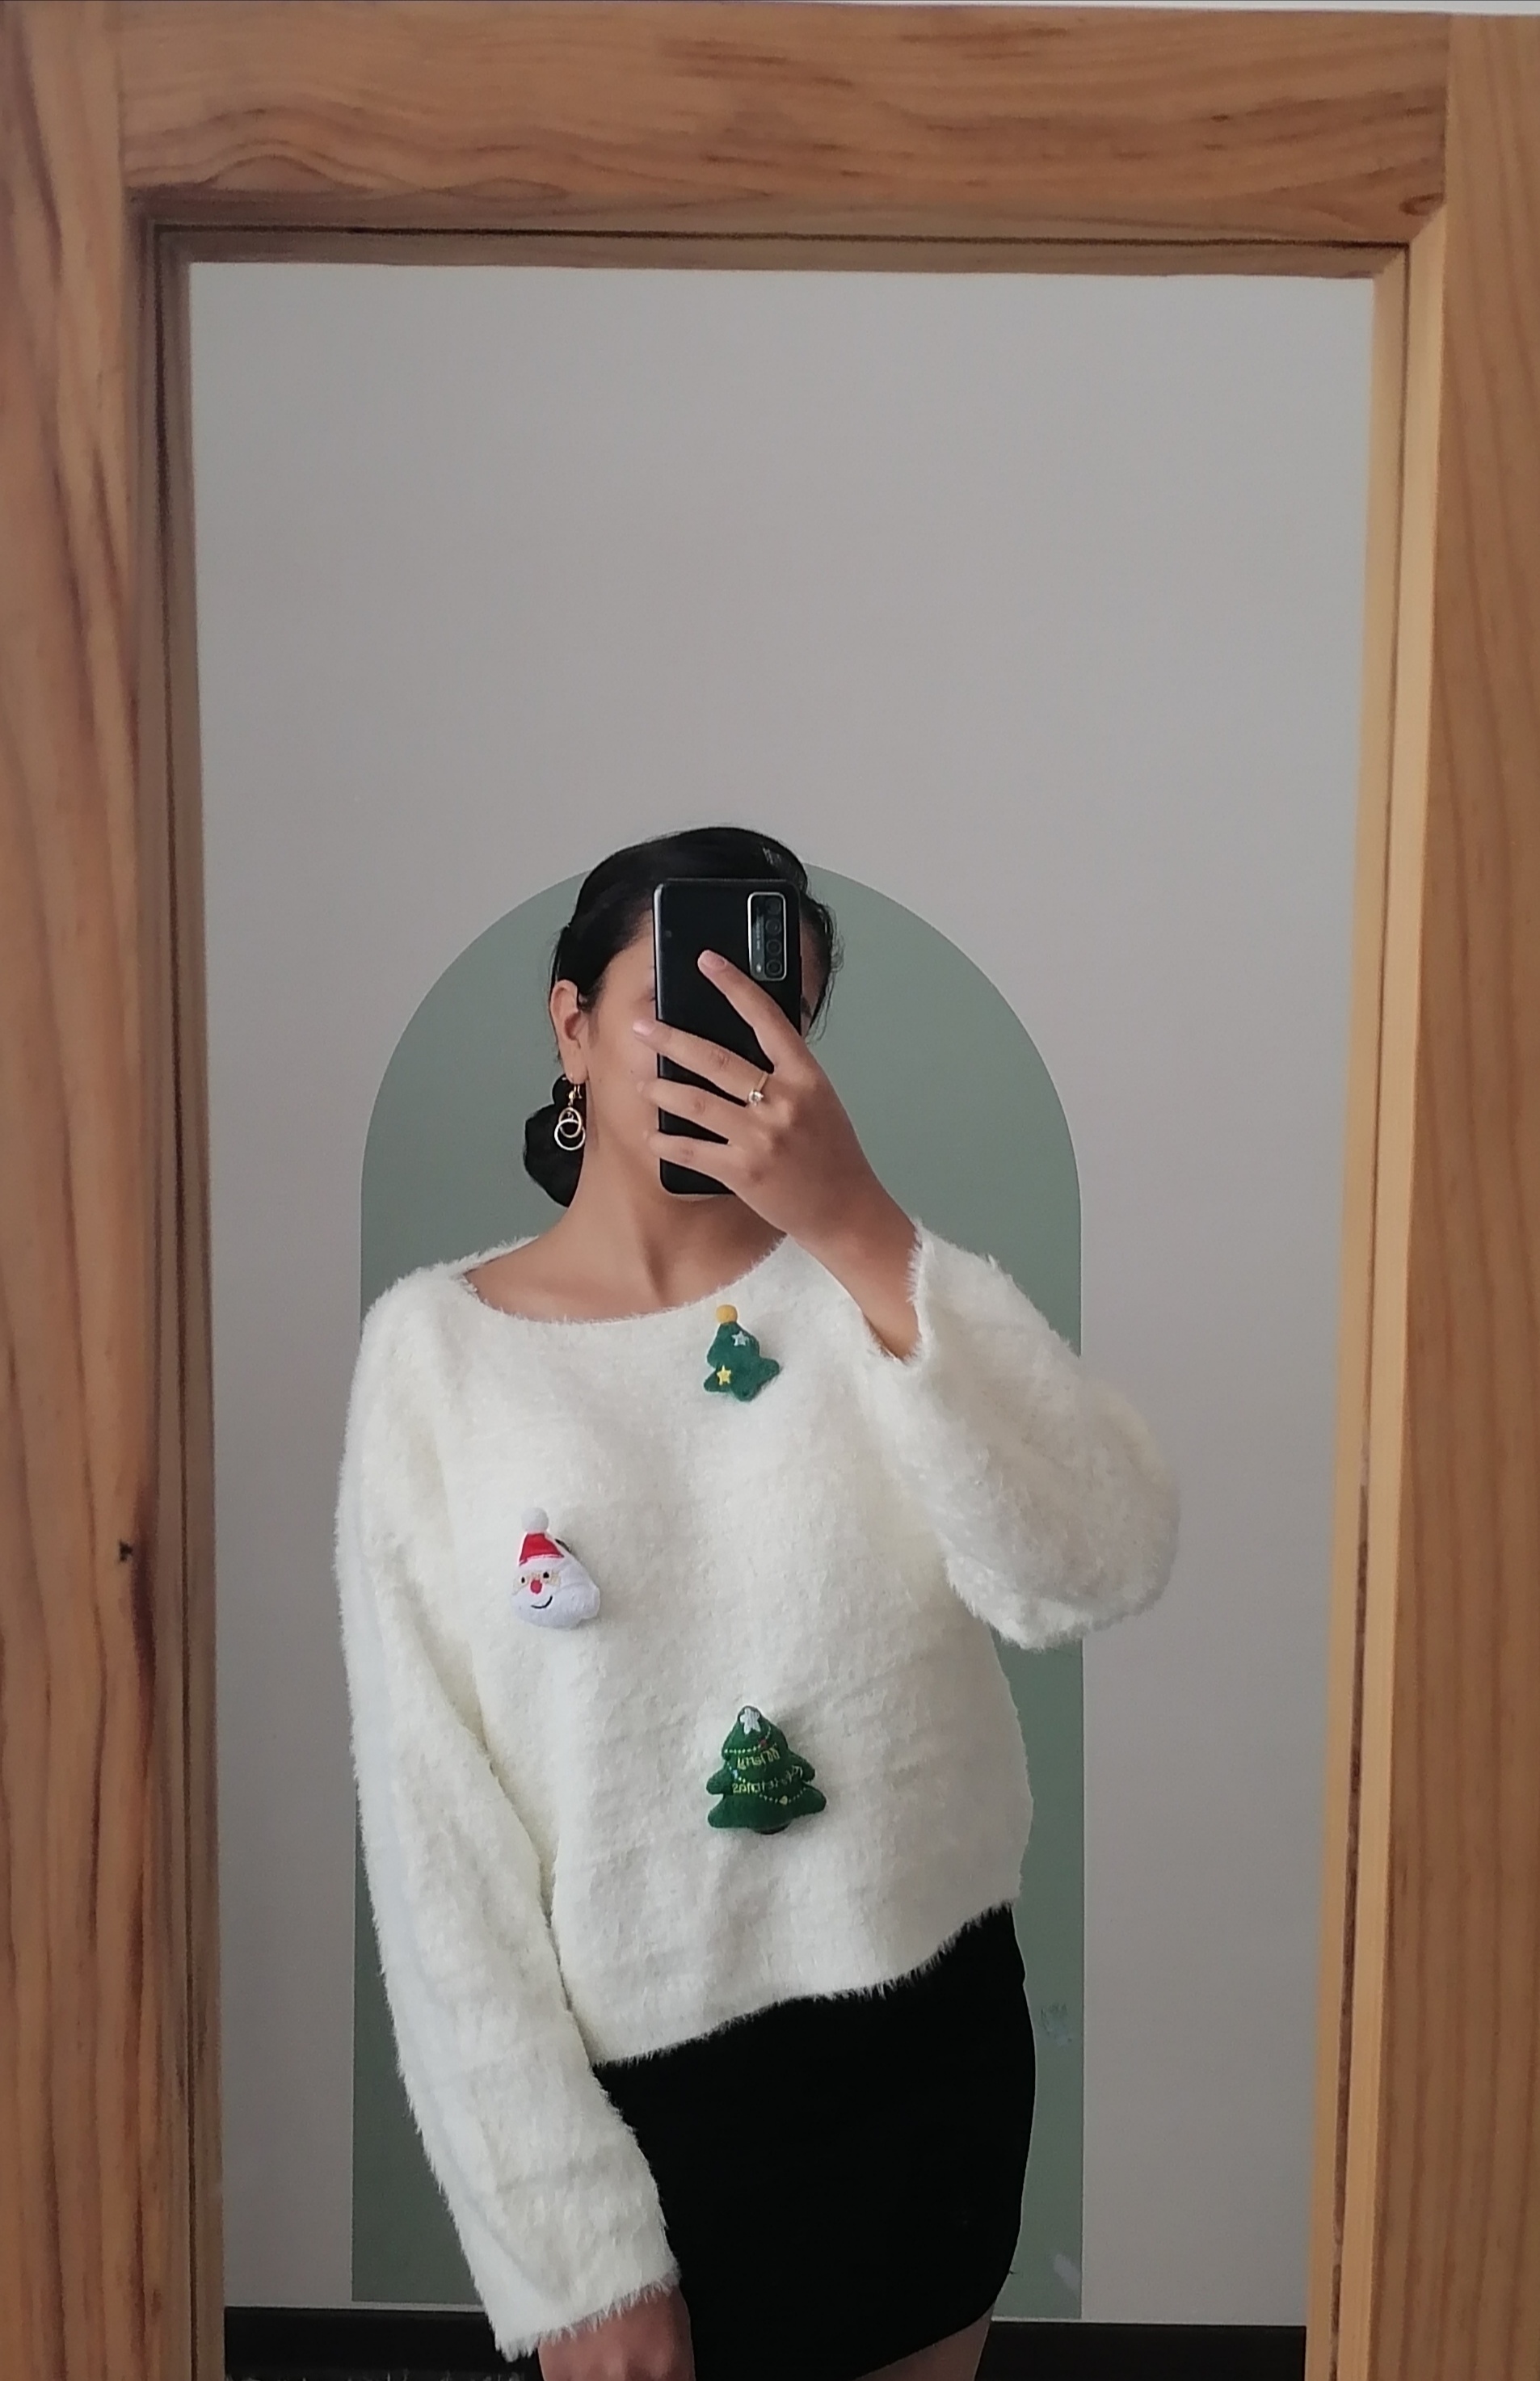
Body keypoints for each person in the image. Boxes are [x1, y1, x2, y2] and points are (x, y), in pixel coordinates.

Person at [332, 823, 1180, 2381]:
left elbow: (1100, 1560)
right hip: (641, 2103)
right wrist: (570, 2256)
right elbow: (432, 1834)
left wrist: (859, 1226)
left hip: (924, 2049)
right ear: (570, 1023)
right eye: (682, 993)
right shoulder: (436, 1356)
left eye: (769, 1005)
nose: (725, 1037)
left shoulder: (873, 1293)